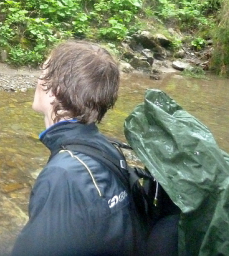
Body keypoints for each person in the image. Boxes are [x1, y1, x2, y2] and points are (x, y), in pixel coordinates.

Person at [11, 40, 142, 256]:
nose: (37, 80)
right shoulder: (106, 147)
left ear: (55, 91)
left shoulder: (62, 176)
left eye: (42, 73)